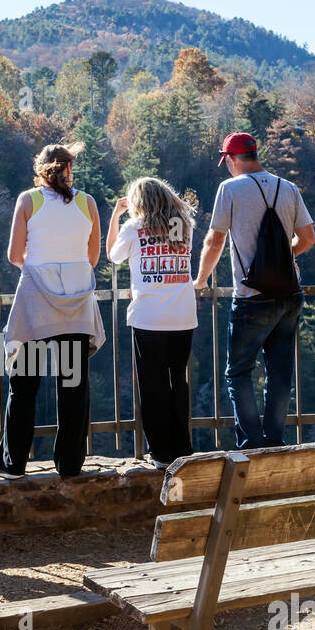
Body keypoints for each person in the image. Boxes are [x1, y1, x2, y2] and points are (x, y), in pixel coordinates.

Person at [194, 132, 315, 449]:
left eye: (227, 162)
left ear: (232, 159)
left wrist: (201, 279)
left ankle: (251, 443)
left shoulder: (230, 189)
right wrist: (279, 259)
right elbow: (307, 239)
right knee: (279, 373)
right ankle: (275, 440)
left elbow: (215, 240)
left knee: (238, 373)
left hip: (252, 297)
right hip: (290, 294)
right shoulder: (287, 187)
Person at [0, 143, 104, 479]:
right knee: (73, 386)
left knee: (24, 384)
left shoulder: (28, 200)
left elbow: (14, 254)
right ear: (69, 170)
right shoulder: (88, 203)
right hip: (76, 302)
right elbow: (92, 258)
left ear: (41, 169)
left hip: (35, 305)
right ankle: (70, 464)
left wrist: (39, 267)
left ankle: (13, 464)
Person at [108, 176, 197, 469]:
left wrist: (115, 217)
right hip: (183, 316)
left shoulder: (134, 228)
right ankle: (182, 447)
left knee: (153, 385)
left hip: (149, 317)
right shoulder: (183, 226)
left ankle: (161, 451)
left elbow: (113, 256)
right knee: (177, 383)